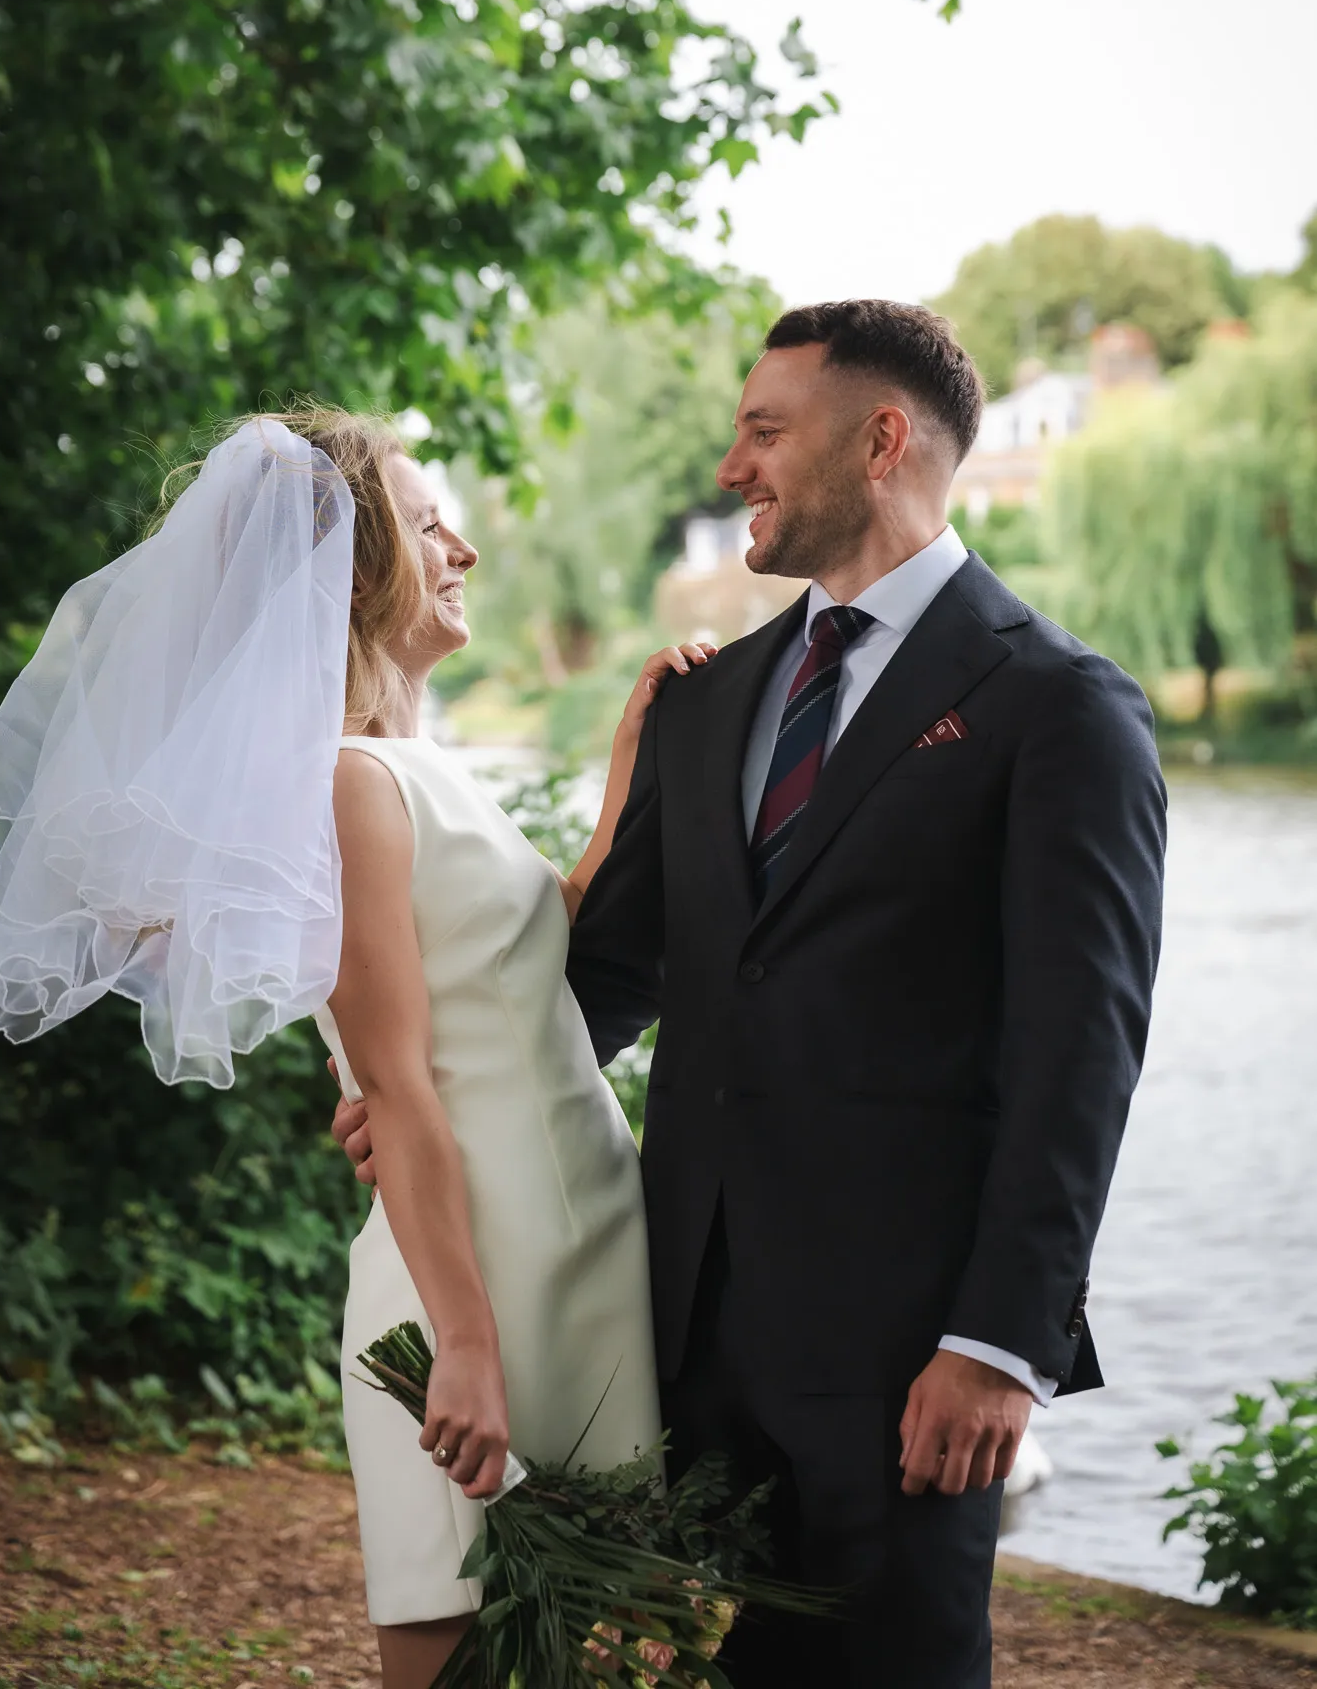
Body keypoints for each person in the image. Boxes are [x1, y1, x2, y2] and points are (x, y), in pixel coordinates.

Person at [338, 299, 1167, 1686]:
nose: (732, 466)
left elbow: (1079, 1055)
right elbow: (604, 972)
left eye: (764, 431)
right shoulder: (708, 703)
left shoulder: (1056, 709)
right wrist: (437, 1086)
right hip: (674, 1338)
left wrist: (998, 1343)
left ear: (881, 440)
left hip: (908, 1360)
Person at [0, 407, 711, 1689]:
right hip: (470, 1274)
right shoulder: (347, 783)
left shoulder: (428, 770)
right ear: (354, 575)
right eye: (428, 528)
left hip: (581, 1245)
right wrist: (463, 1345)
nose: (462, 548)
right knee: (452, 1645)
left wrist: (631, 760)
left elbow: (534, 961)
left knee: (586, 1659)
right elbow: (399, 1085)